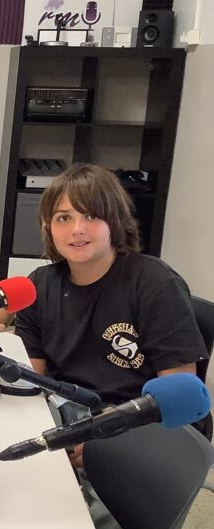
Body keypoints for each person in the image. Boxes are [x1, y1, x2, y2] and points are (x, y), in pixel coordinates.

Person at [14, 163, 210, 460]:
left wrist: (104, 443)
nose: (77, 229)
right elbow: (32, 382)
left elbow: (176, 399)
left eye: (91, 216)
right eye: (64, 217)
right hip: (66, 417)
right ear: (48, 226)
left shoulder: (155, 283)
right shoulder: (39, 285)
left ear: (114, 221)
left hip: (138, 426)